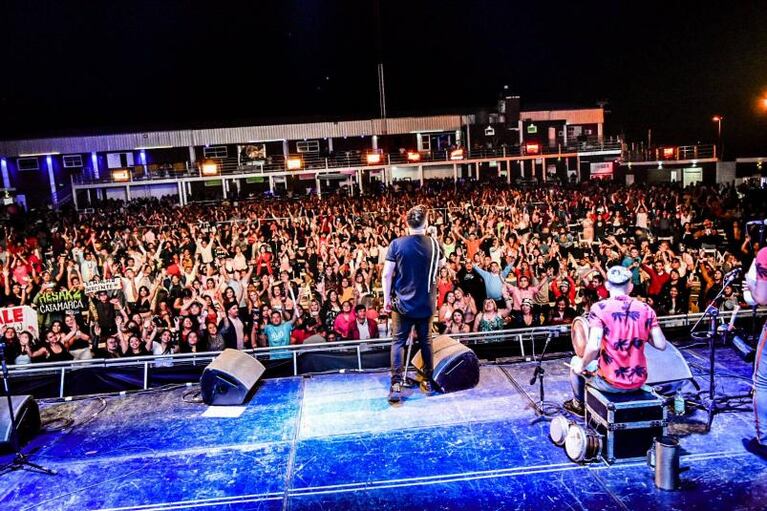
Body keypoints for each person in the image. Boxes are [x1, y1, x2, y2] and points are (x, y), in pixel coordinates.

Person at [564, 266, 668, 415]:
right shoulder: (646, 309)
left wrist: (581, 366)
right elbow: (661, 344)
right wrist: (641, 332)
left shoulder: (599, 308)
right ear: (630, 287)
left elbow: (593, 347)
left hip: (610, 383)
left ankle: (579, 405)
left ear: (607, 286)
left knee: (575, 361)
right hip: (638, 382)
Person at [382, 204, 443, 403]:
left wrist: (385, 300)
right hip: (426, 304)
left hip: (402, 304)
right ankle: (428, 379)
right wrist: (434, 237)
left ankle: (396, 384)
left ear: (406, 223)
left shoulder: (396, 244)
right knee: (425, 341)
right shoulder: (435, 244)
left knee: (398, 342)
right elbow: (440, 265)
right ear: (426, 223)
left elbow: (386, 274)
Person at [743, 246, 767, 459]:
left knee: (763, 383)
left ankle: (765, 441)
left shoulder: (765, 254)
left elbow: (761, 298)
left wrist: (751, 285)